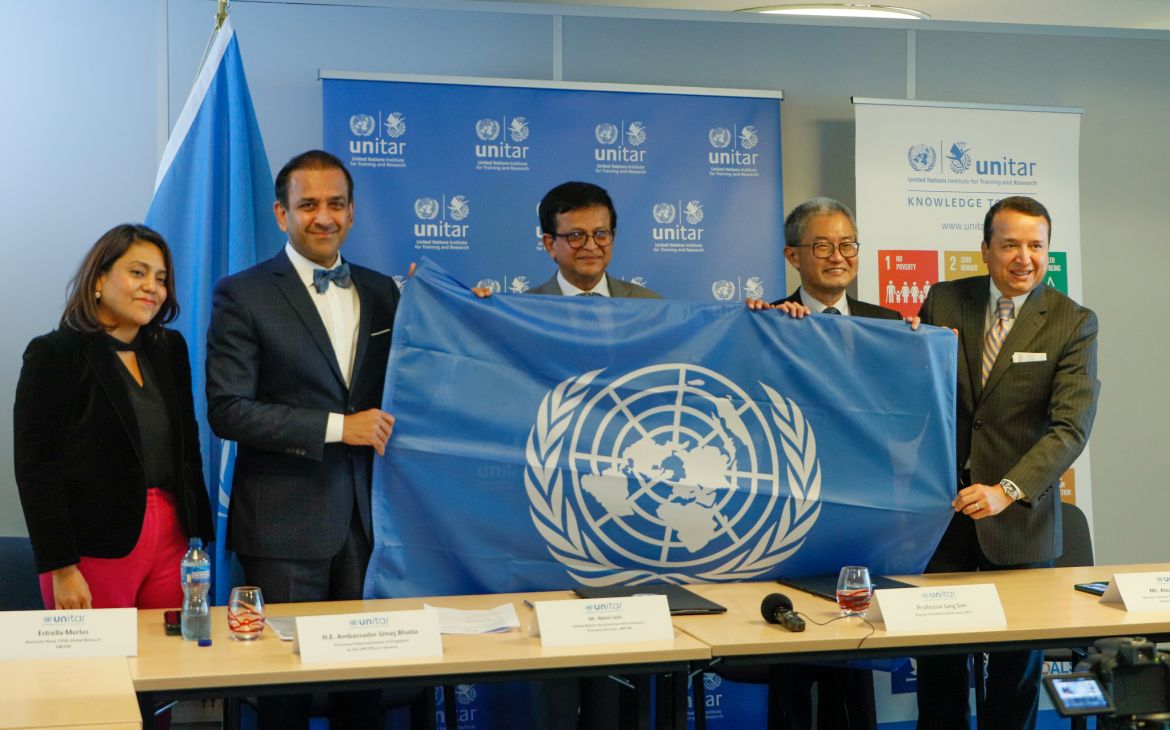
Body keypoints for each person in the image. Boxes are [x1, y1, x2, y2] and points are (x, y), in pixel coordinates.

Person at [206, 149, 400, 729]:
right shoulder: (243, 293)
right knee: (283, 696)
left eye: (335, 203)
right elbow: (228, 410)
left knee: (363, 691)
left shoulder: (383, 292)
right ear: (280, 212)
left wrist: (469, 313)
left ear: (352, 211)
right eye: (308, 204)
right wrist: (343, 428)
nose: (324, 217)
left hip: (369, 525)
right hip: (283, 527)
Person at [914, 196, 1100, 729]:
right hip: (942, 520)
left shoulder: (1073, 322)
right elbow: (920, 396)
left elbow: (1070, 429)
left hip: (1021, 523)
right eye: (1011, 244)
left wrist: (1007, 489)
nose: (1025, 257)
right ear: (986, 250)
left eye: (1036, 245)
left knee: (1014, 682)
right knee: (940, 674)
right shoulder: (945, 301)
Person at [739, 197, 902, 730]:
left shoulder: (892, 326)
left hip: (865, 516)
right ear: (793, 255)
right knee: (793, 661)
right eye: (823, 245)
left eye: (848, 244)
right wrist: (766, 332)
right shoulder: (769, 324)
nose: (839, 256)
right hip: (792, 516)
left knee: (851, 660)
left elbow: (909, 418)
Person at [15, 223, 214, 611]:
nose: (152, 287)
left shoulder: (169, 348)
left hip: (174, 539)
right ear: (99, 280)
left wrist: (197, 534)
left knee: (171, 665)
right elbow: (35, 468)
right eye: (138, 273)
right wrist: (62, 567)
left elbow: (188, 447)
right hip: (93, 546)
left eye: (161, 279)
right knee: (98, 670)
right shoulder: (54, 354)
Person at [529, 181, 661, 298]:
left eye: (600, 234)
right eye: (576, 235)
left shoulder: (649, 305)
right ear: (550, 244)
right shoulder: (524, 312)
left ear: (612, 237)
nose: (591, 246)